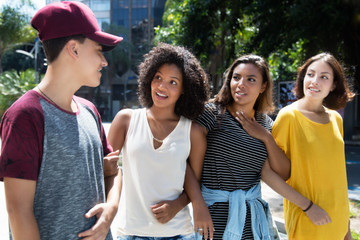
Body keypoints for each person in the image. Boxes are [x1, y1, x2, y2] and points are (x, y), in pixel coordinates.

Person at [0, 1, 123, 239]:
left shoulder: (90, 111)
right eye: (99, 50)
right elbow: (19, 212)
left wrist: (110, 211)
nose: (104, 62)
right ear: (74, 49)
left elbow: (113, 170)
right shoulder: (25, 116)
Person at [195, 54, 332, 240]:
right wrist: (197, 204)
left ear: (263, 86)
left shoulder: (266, 123)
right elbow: (186, 162)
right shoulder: (212, 113)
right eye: (236, 77)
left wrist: (266, 137)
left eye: (251, 79)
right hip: (212, 216)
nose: (241, 84)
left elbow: (280, 173)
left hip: (252, 220)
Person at [107, 43, 214, 240]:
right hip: (130, 232)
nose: (162, 86)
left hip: (178, 233)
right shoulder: (126, 120)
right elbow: (108, 172)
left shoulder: (193, 132)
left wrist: (178, 205)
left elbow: (194, 182)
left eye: (173, 82)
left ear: (184, 89)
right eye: (158, 77)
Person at [271, 53, 355, 239]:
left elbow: (338, 177)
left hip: (338, 222)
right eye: (310, 74)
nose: (314, 81)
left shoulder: (335, 119)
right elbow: (268, 173)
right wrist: (308, 207)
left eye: (324, 77)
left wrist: (346, 227)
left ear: (333, 85)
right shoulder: (288, 117)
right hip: (308, 220)